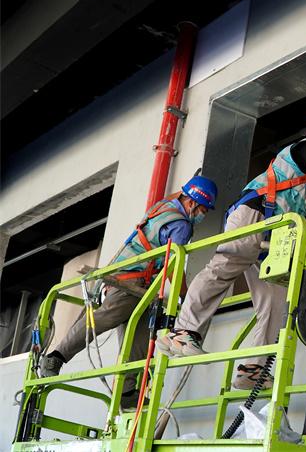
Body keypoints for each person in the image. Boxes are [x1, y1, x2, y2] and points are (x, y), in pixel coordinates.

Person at [157, 101, 306, 391]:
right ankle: (183, 332)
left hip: (274, 234)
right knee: (224, 268)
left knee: (276, 298)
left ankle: (253, 369)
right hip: (255, 215)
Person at [39, 175, 218, 410]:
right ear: (192, 203)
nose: (203, 215)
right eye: (203, 209)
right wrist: (184, 297)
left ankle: (126, 392)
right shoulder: (182, 226)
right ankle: (56, 357)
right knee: (107, 317)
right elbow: (173, 265)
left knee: (140, 338)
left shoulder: (163, 207)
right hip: (130, 281)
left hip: (136, 284)